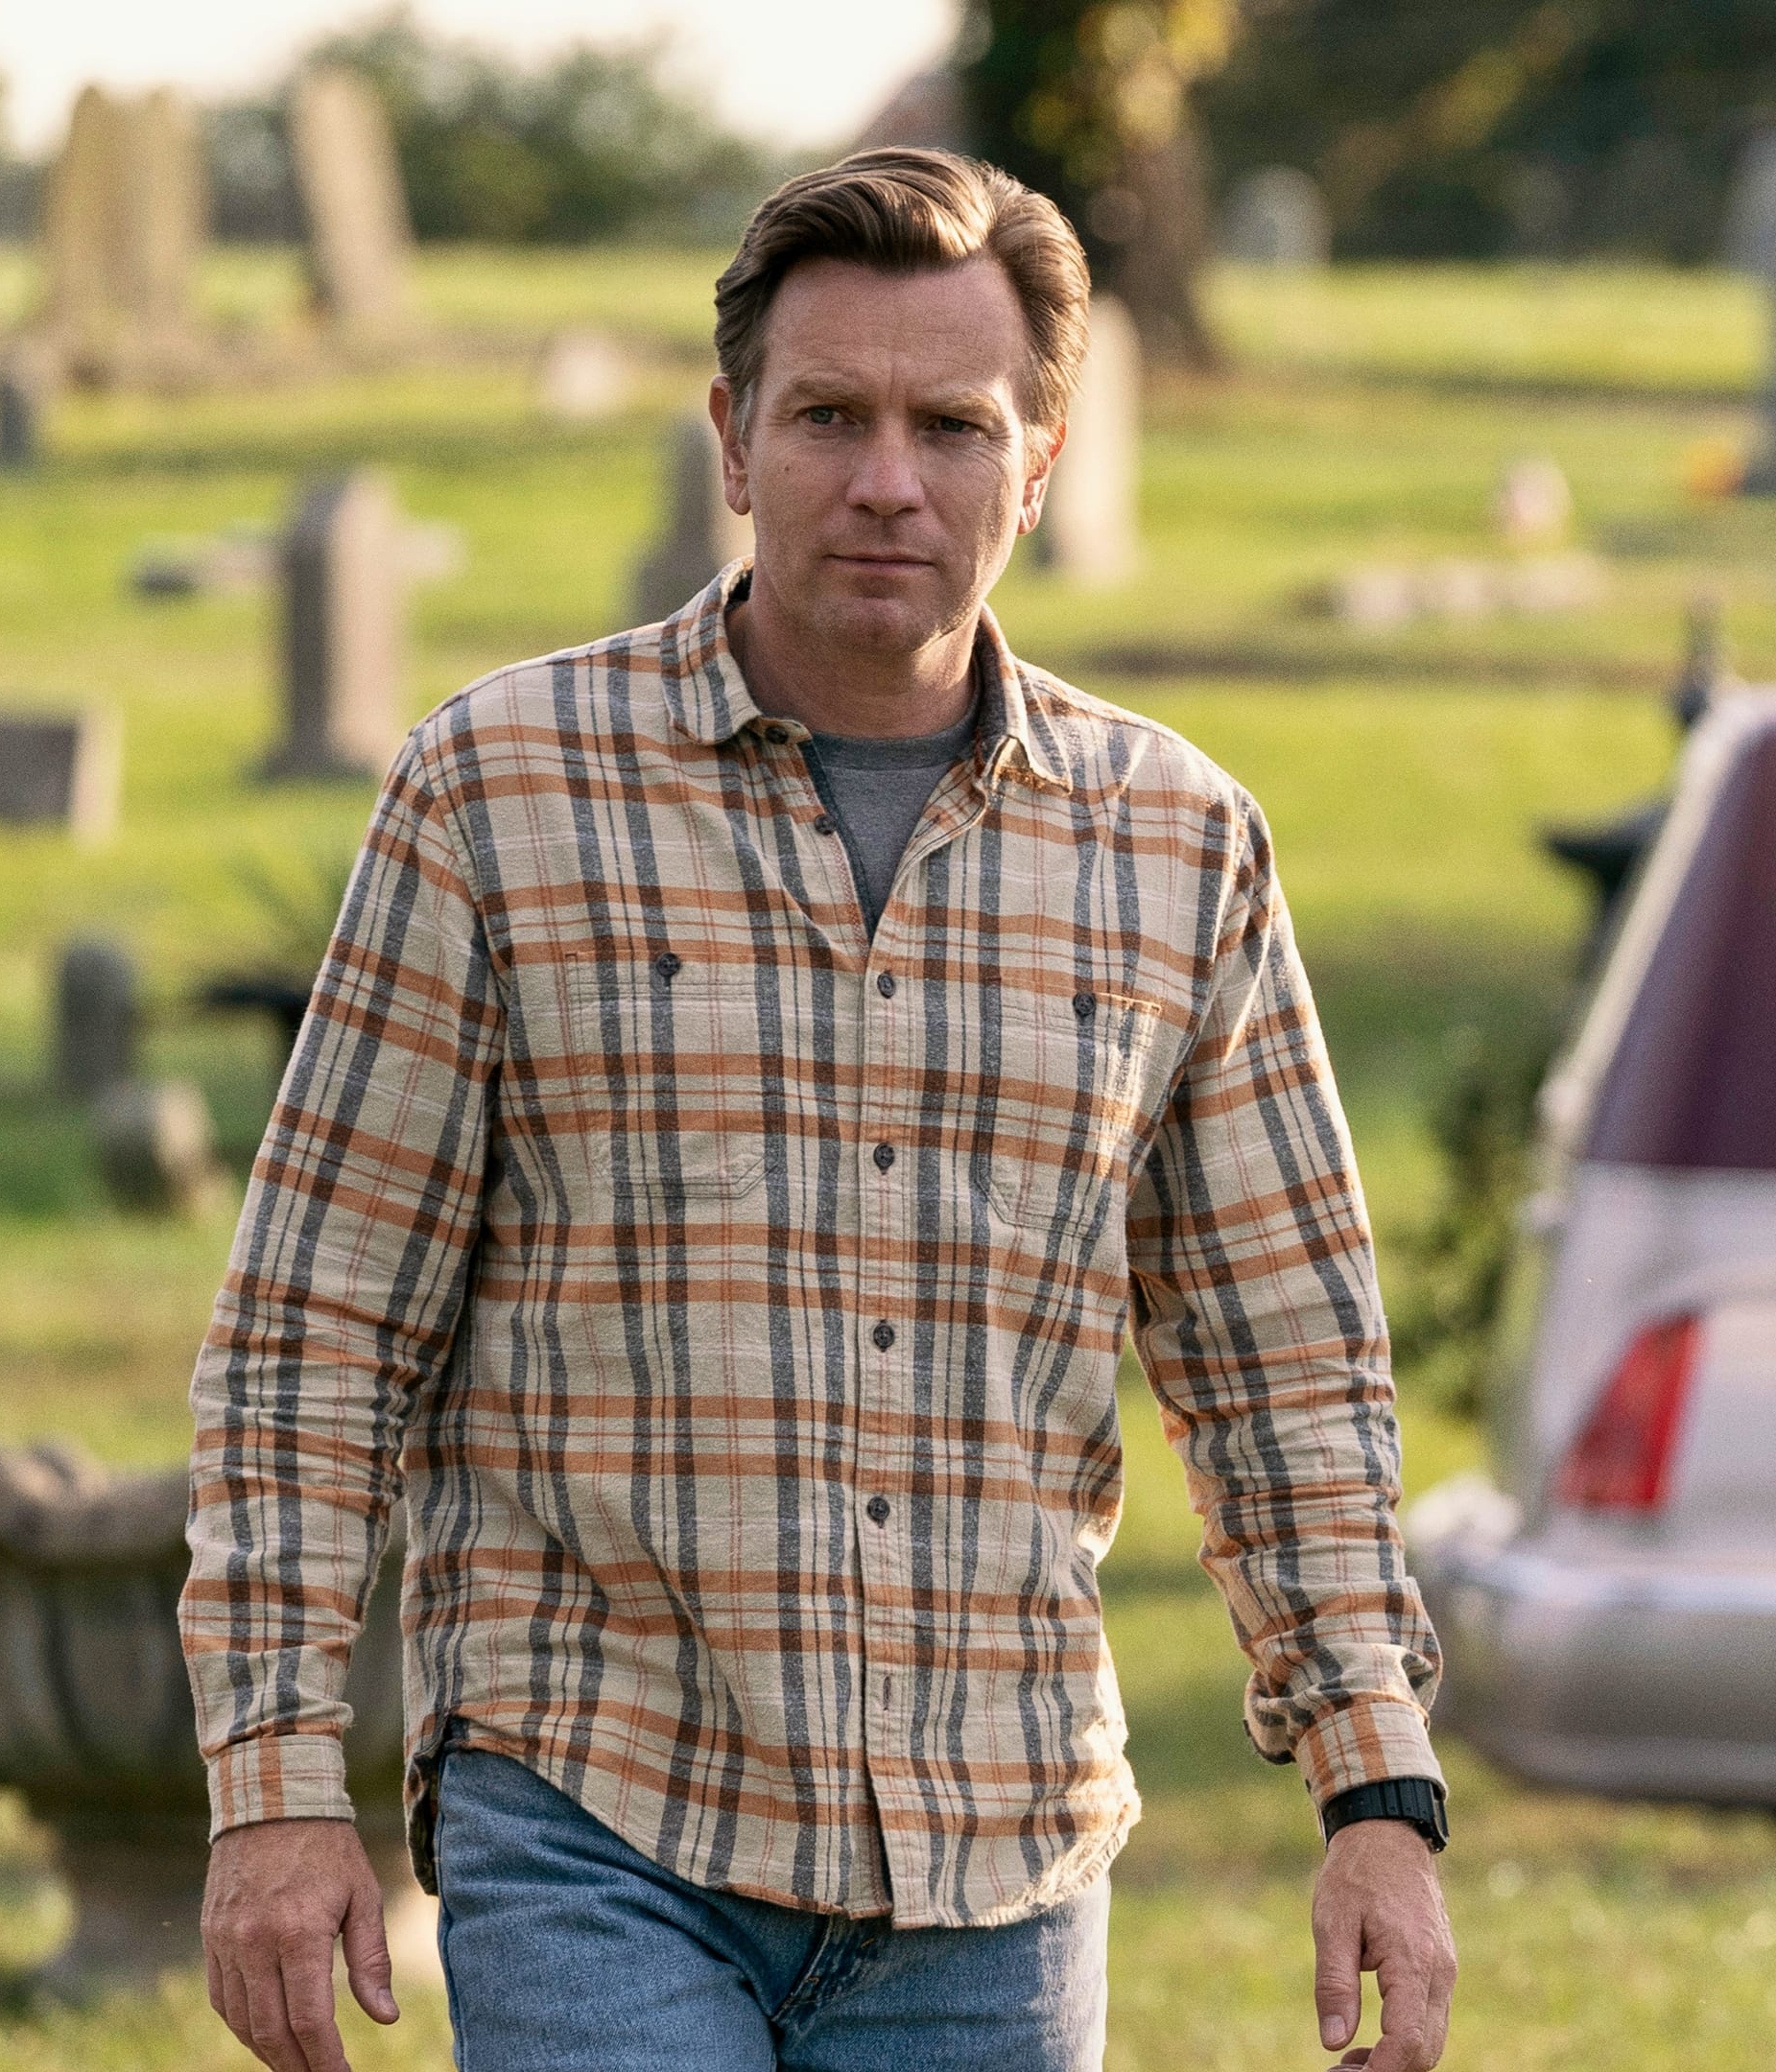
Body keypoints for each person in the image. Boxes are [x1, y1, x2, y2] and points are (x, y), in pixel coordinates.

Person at [183, 148, 1454, 2072]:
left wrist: (1376, 1791)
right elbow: (315, 1328)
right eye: (829, 416)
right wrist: (276, 1782)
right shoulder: (496, 796)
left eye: (953, 427)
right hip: (592, 1810)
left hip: (999, 1866)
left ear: (1039, 463)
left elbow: (1286, 1363)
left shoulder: (1180, 848)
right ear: (732, 437)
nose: (886, 481)